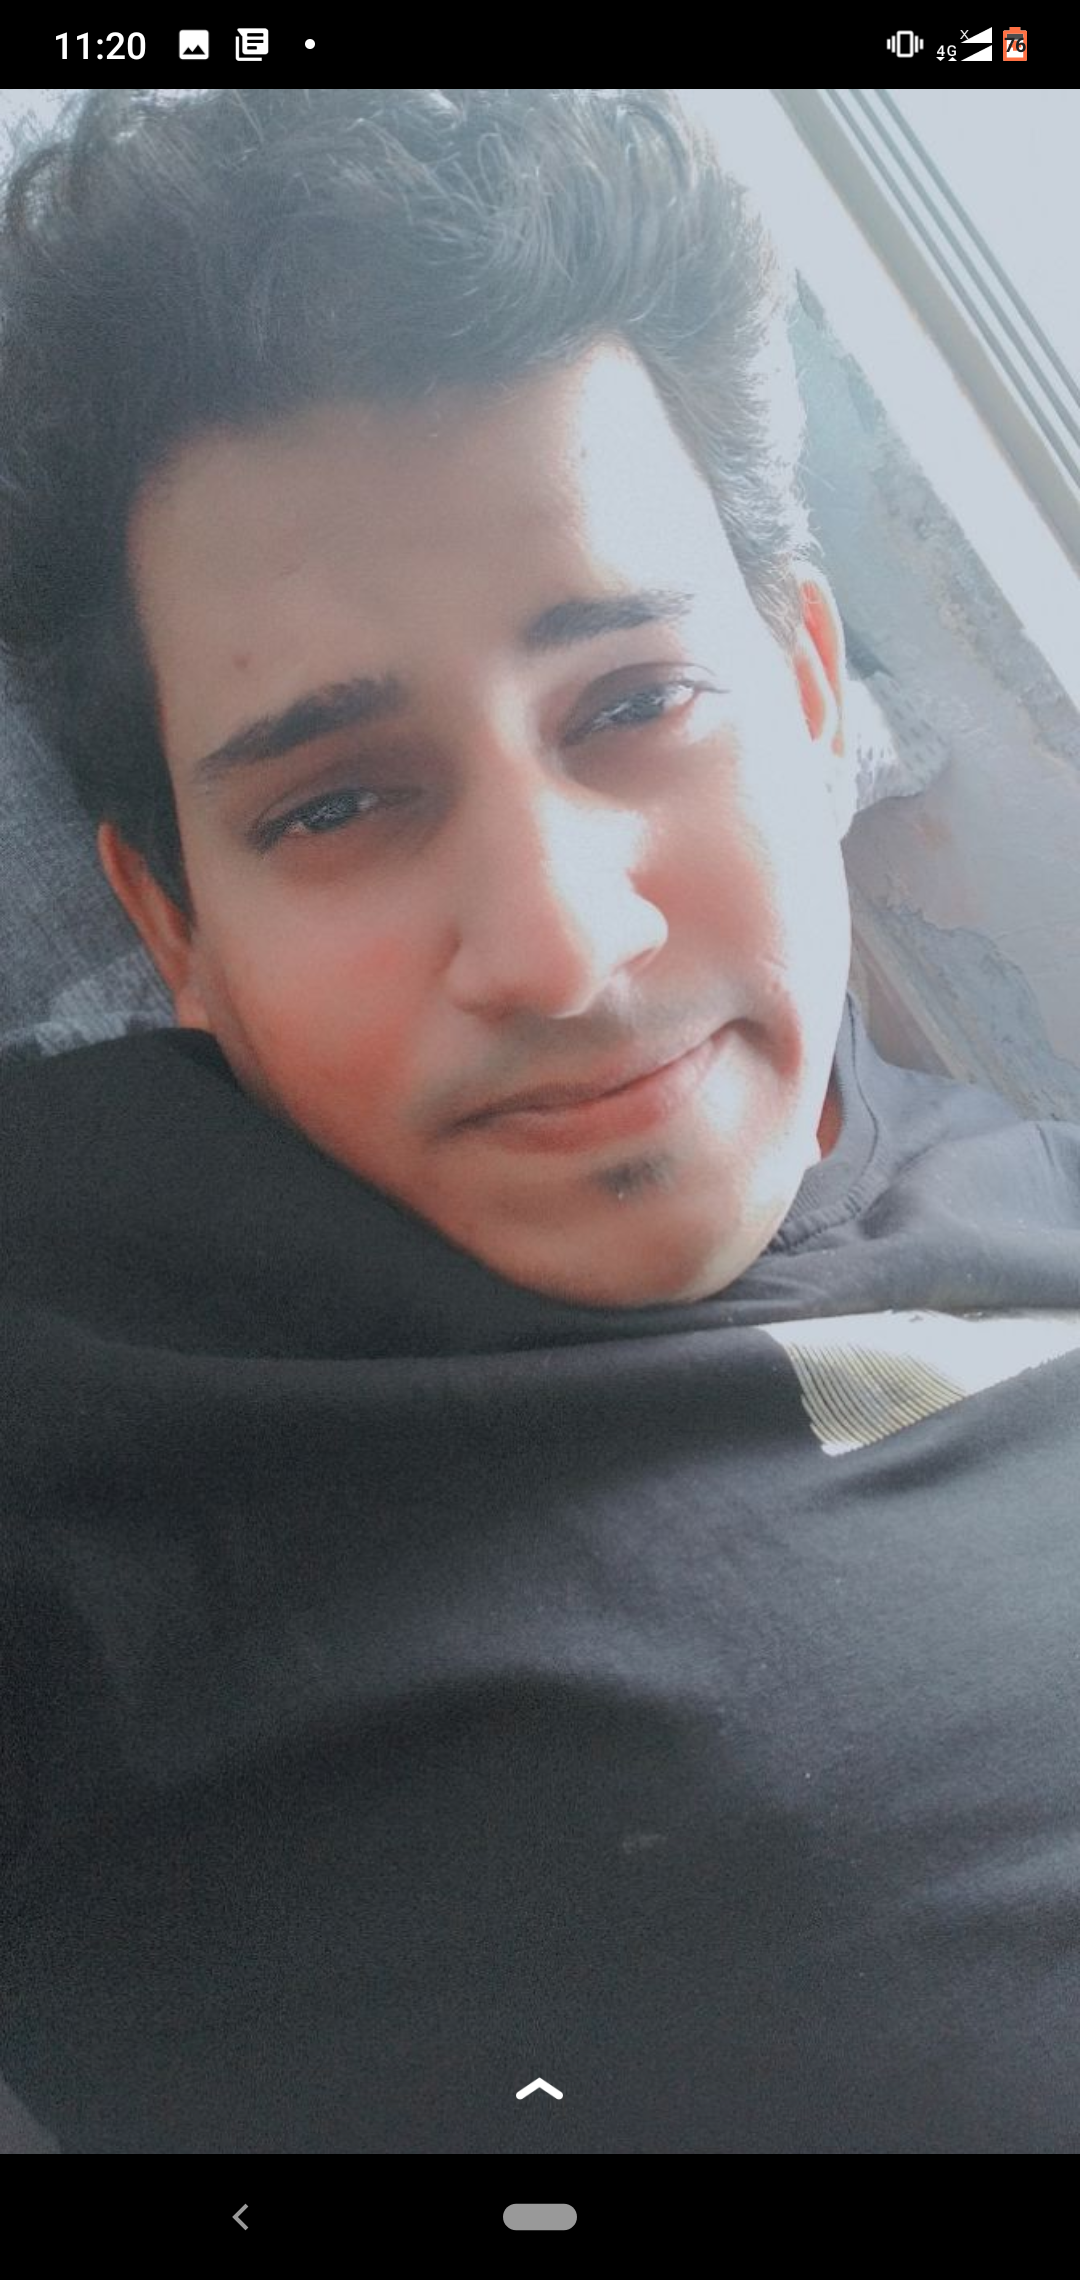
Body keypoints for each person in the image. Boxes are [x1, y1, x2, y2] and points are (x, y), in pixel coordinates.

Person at [0, 86, 1078, 2157]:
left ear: (808, 694)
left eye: (637, 705)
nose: (567, 949)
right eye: (335, 803)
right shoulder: (72, 1375)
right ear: (171, 922)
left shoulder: (1043, 1200)